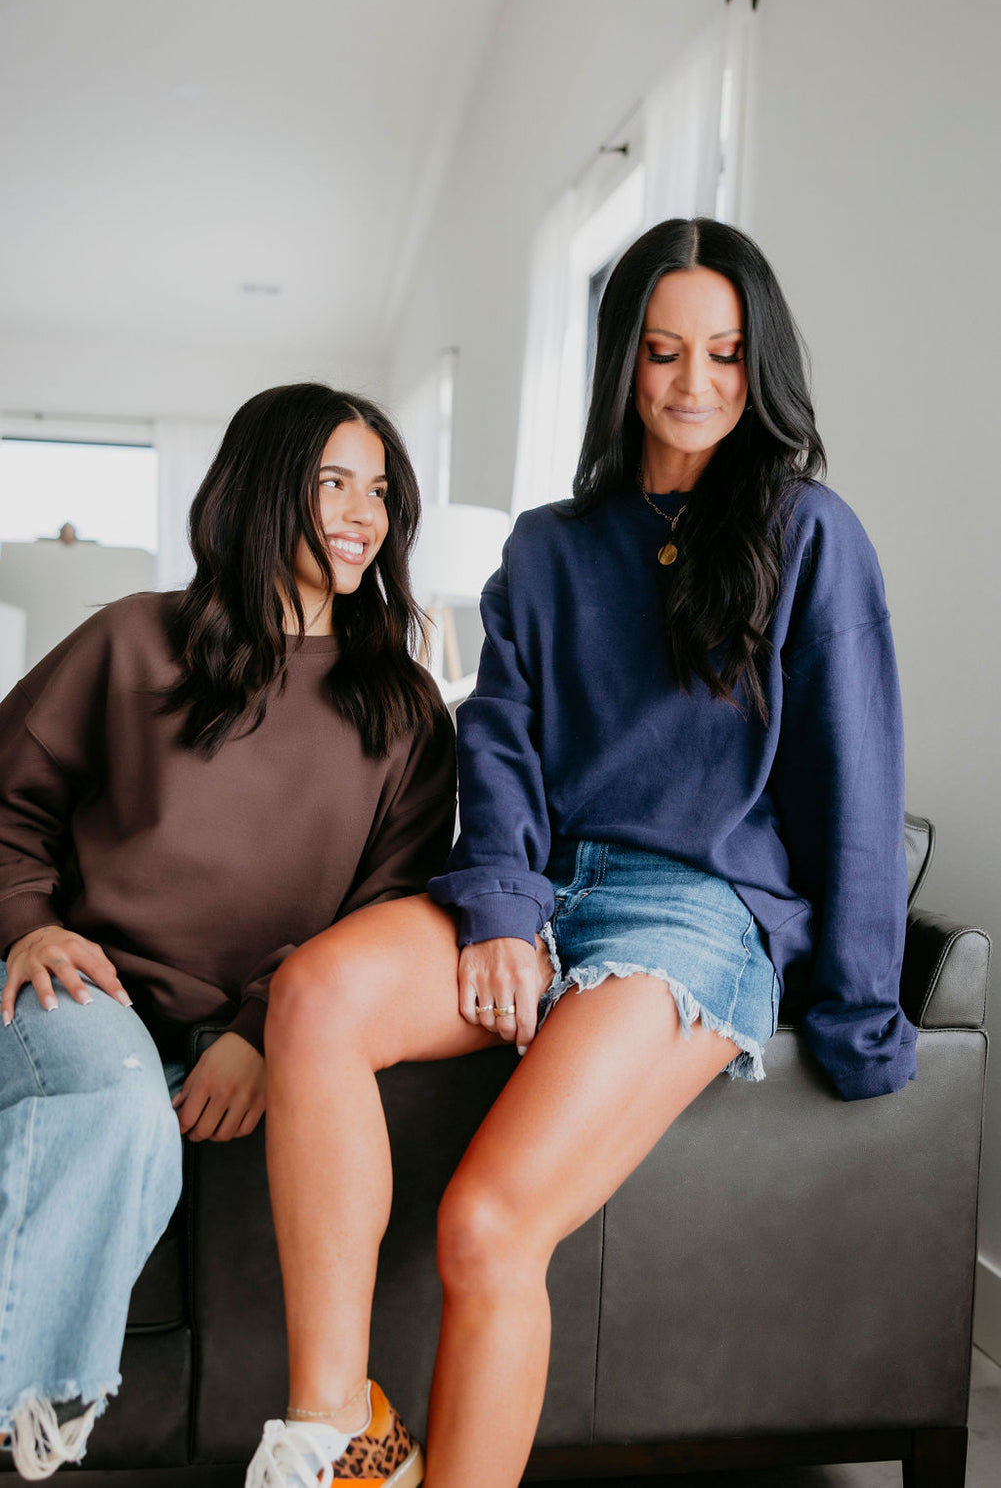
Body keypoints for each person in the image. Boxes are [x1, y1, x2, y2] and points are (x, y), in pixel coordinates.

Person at [246, 219, 917, 1488]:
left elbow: (855, 782)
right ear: (621, 361)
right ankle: (338, 1432)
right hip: (543, 887)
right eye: (663, 352)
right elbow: (497, 740)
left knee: (486, 1226)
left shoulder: (809, 532)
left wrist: (856, 1018)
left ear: (757, 363)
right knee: (315, 992)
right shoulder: (549, 547)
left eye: (724, 353)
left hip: (694, 914)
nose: (693, 383)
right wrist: (503, 907)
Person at [0, 384, 455, 1480]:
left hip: (249, 1027)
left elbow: (385, 914)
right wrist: (27, 926)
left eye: (379, 490)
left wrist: (262, 1029)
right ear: (260, 489)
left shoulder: (404, 710)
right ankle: (27, 1410)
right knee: (120, 1107)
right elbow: (7, 799)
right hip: (88, 995)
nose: (362, 513)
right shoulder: (131, 640)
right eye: (332, 482)